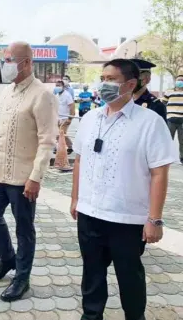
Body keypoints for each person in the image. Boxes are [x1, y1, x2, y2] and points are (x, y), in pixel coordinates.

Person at [70, 59, 176, 320]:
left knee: (129, 275)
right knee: (92, 273)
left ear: (130, 84)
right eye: (102, 78)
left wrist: (155, 219)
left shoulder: (150, 122)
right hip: (90, 212)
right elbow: (80, 159)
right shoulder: (90, 118)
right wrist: (75, 199)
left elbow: (159, 172)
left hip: (127, 218)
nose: (103, 84)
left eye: (110, 79)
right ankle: (91, 315)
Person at [0, 42, 58, 302]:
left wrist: (36, 177)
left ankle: (22, 277)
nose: (6, 65)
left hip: (24, 178)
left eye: (10, 60)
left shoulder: (42, 95)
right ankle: (8, 260)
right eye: (4, 60)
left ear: (26, 62)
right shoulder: (7, 93)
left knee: (24, 228)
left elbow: (48, 140)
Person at [162, 75, 183, 163]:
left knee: (182, 141)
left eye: (182, 80)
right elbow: (163, 103)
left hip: (182, 120)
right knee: (168, 139)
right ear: (175, 81)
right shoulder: (169, 92)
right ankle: (166, 158)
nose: (180, 81)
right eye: (178, 80)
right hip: (170, 119)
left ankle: (182, 158)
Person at [55, 79, 75, 154]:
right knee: (58, 134)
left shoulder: (67, 95)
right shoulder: (56, 95)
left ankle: (65, 148)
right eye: (56, 86)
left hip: (65, 118)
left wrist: (70, 118)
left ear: (63, 87)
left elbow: (72, 107)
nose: (57, 87)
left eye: (59, 85)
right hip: (58, 118)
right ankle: (69, 147)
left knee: (61, 133)